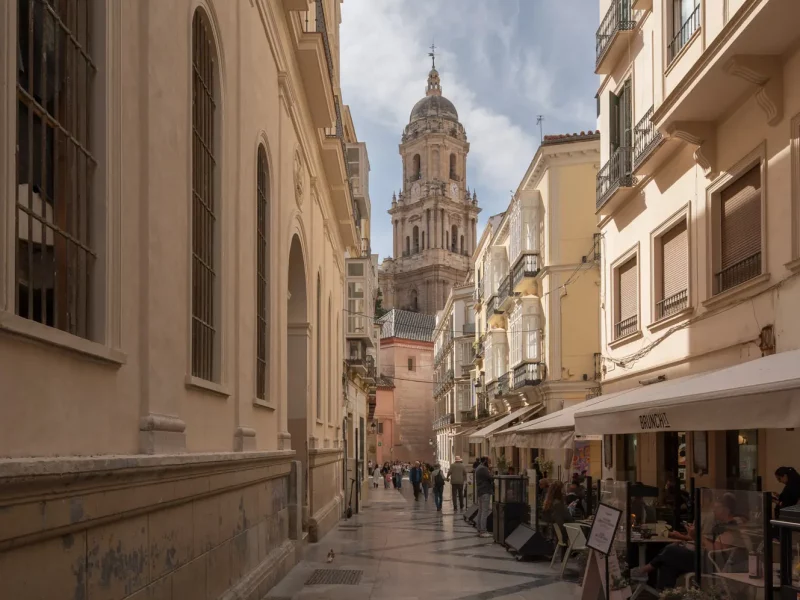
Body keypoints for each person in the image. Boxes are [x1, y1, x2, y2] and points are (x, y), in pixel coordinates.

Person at [632, 495, 745, 590]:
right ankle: (664, 595)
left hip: (710, 564)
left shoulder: (731, 528)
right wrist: (692, 539)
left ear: (726, 509)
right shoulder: (721, 525)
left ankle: (644, 570)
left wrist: (697, 537)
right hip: (705, 558)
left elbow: (714, 551)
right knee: (668, 563)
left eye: (717, 507)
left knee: (671, 551)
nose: (714, 510)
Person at [475, 457, 494, 538]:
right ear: (485, 461)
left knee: (481, 511)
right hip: (485, 491)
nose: (489, 463)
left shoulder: (479, 468)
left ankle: (479, 529)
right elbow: (491, 478)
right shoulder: (483, 469)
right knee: (484, 512)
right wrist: (490, 470)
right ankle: (483, 530)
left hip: (480, 491)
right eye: (489, 462)